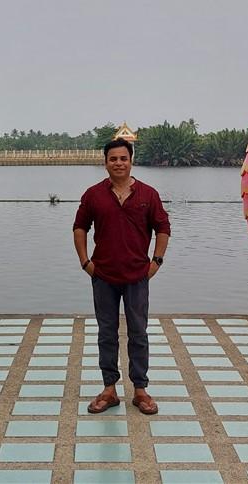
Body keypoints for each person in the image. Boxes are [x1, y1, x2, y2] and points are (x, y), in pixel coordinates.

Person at [73, 138, 170, 415]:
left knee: (138, 332)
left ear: (131, 161)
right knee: (107, 333)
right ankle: (109, 389)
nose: (118, 163)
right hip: (103, 275)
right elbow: (79, 227)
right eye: (113, 159)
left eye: (123, 158)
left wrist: (156, 261)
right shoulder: (93, 195)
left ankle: (140, 390)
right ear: (105, 163)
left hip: (137, 276)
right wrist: (85, 262)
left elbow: (163, 227)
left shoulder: (148, 195)